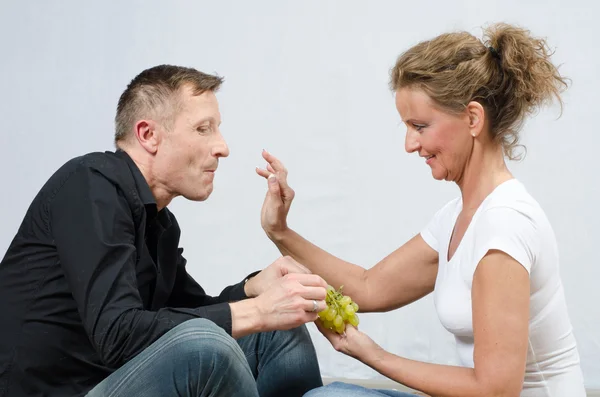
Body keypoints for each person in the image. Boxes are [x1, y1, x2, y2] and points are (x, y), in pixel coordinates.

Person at [256, 23, 586, 396]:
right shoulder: (459, 217)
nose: (410, 144)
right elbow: (367, 287)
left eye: (420, 126)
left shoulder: (503, 226)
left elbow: (497, 390)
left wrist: (373, 355)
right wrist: (279, 231)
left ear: (473, 119)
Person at [0, 65, 330, 397]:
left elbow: (188, 313)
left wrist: (252, 290)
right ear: (148, 135)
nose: (223, 147)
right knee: (208, 346)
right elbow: (118, 335)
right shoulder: (91, 186)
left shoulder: (160, 222)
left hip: (111, 383)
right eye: (203, 129)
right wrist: (259, 311)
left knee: (277, 330)